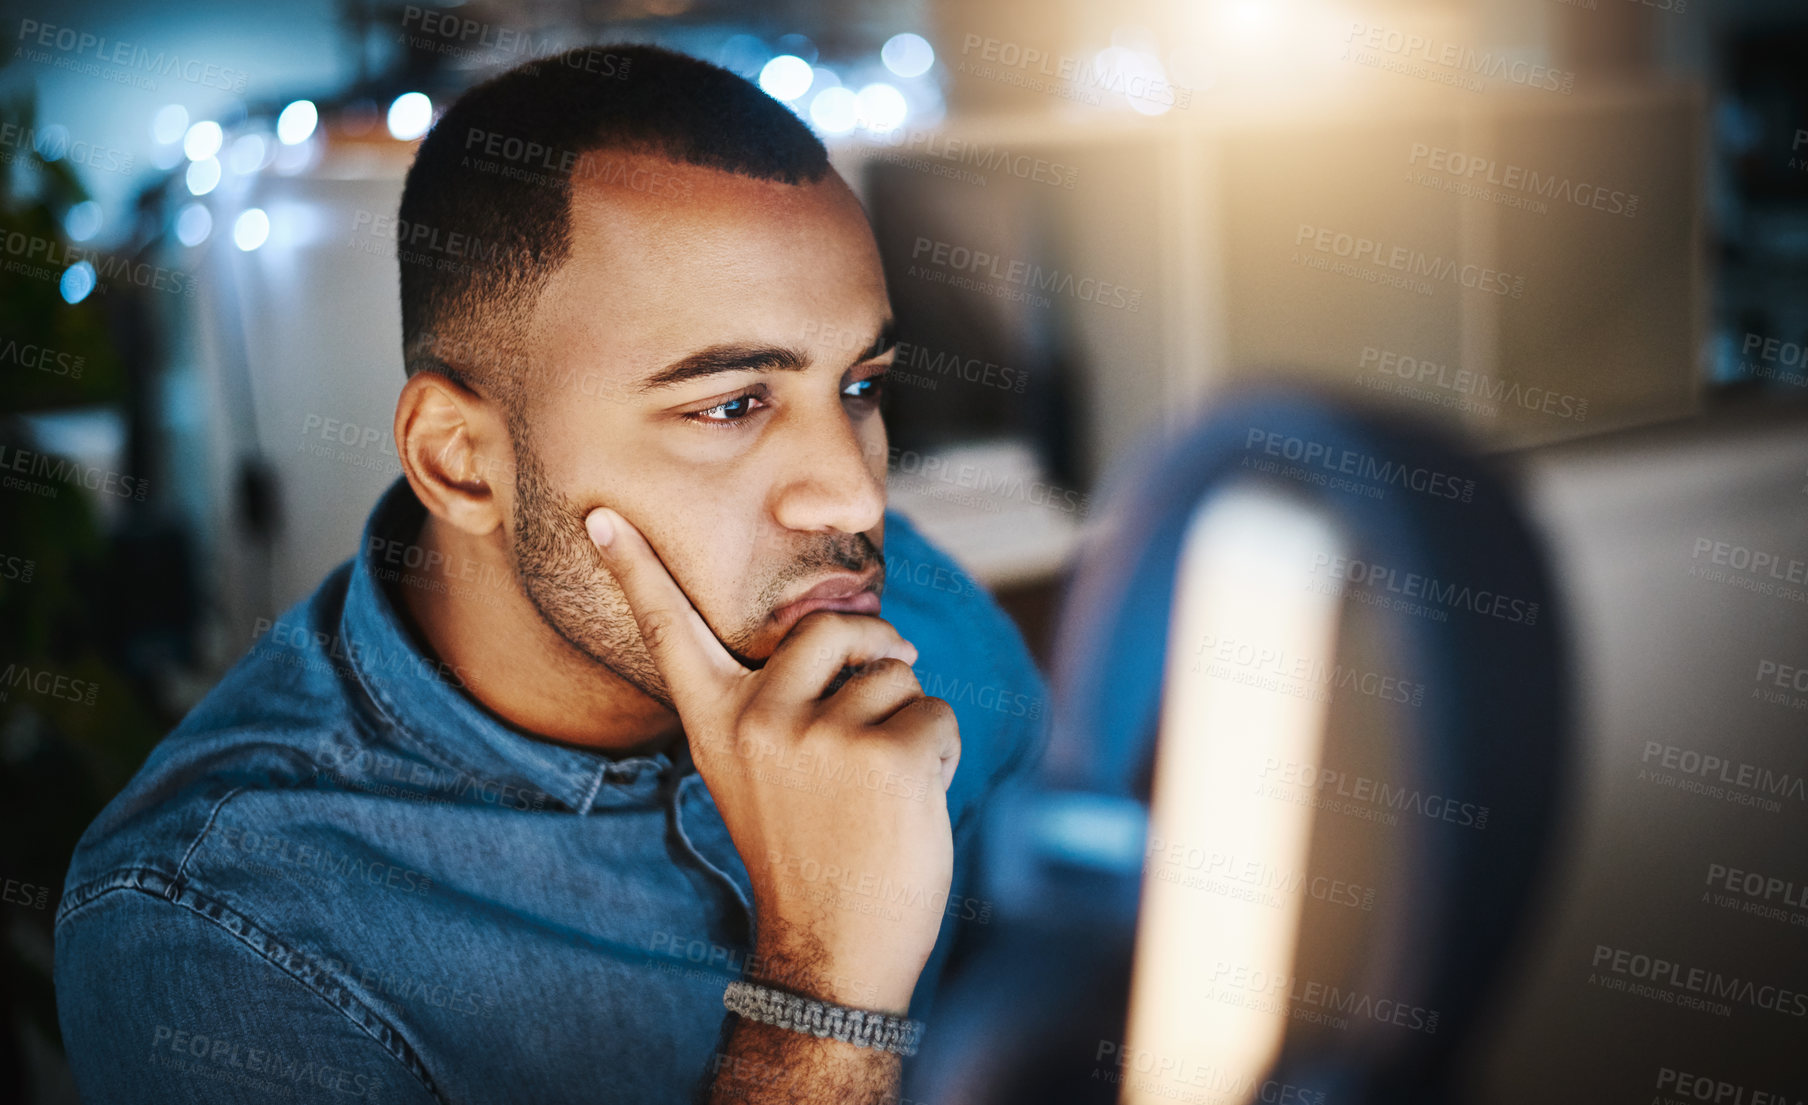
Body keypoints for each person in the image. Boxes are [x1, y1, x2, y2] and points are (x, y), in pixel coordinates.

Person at [54, 43, 1047, 1104]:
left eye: (859, 385)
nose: (852, 495)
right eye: (729, 404)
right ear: (459, 459)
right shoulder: (220, 930)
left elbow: (1035, 936)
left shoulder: (892, 604)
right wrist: (825, 989)